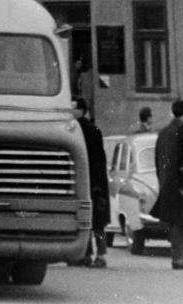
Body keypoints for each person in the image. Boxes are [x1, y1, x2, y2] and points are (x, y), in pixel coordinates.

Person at [151, 98, 183, 270]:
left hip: (167, 182)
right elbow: (179, 160)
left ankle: (178, 257)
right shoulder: (181, 131)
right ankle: (178, 258)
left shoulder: (164, 132)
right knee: (180, 223)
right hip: (178, 184)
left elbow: (158, 159)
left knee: (176, 223)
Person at [73, 99, 109, 267]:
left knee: (87, 219)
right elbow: (100, 159)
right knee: (97, 221)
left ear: (82, 110)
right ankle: (100, 254)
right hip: (96, 181)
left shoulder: (77, 129)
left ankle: (86, 254)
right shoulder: (93, 129)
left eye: (73, 108)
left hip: (85, 180)